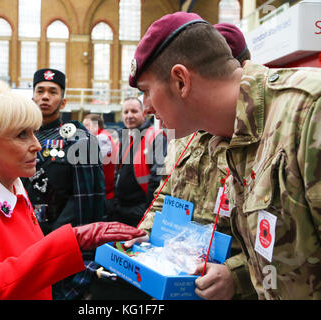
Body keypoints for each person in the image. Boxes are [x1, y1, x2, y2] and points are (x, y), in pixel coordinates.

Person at [128, 11, 321, 299]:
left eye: (146, 91)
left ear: (181, 81)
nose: (145, 108)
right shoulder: (228, 138)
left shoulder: (308, 113)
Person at [0, 62, 145, 300]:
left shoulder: (13, 192)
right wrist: (73, 240)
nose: (37, 145)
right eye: (22, 134)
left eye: (34, 132)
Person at [126, 22, 256, 300]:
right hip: (182, 276)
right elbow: (166, 195)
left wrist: (238, 275)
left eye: (148, 91)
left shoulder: (268, 133)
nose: (146, 107)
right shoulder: (184, 137)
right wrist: (145, 231)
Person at [22, 68, 107, 300]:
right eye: (40, 91)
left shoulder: (80, 139)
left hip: (61, 243)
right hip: (23, 240)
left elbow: (87, 203)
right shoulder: (19, 137)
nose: (45, 97)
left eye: (52, 91)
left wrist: (53, 242)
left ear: (64, 100)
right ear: (32, 97)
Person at [111, 97, 167, 227]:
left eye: (134, 111)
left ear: (143, 113)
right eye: (126, 112)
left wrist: (147, 210)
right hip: (120, 210)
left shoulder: (155, 136)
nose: (129, 115)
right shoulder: (124, 137)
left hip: (139, 213)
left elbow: (158, 178)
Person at [82, 113, 118, 211]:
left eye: (86, 126)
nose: (83, 129)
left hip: (105, 196)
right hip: (105, 193)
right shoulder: (104, 136)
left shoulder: (102, 138)